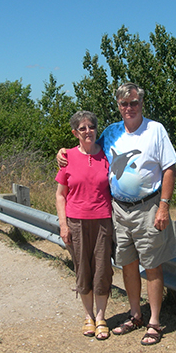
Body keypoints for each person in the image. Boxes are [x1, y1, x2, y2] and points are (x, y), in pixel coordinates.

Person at [58, 82, 176, 346]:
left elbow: (169, 168)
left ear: (141, 103)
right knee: (127, 263)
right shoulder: (112, 132)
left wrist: (164, 206)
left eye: (134, 102)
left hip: (148, 207)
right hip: (118, 210)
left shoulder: (155, 129)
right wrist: (63, 152)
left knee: (153, 264)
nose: (129, 108)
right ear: (118, 106)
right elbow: (87, 147)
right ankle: (135, 314)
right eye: (124, 104)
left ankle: (154, 322)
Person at [55, 110, 114, 341]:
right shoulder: (67, 157)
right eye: (82, 128)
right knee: (82, 269)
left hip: (102, 221)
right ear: (75, 133)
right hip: (76, 222)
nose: (88, 131)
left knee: (102, 269)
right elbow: (60, 195)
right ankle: (88, 316)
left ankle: (101, 317)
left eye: (91, 127)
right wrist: (63, 225)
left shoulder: (107, 155)